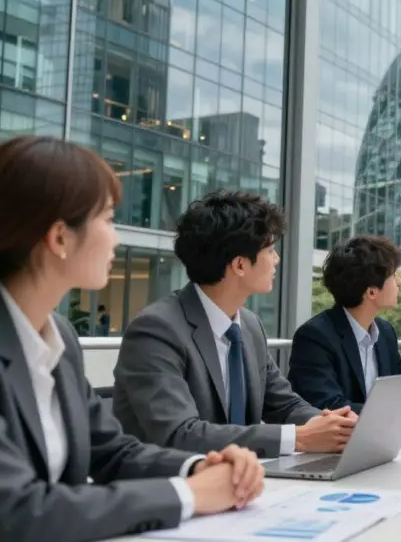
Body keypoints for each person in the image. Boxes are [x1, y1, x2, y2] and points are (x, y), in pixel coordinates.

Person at [0, 136, 265, 542]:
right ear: (60, 237)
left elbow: (112, 452)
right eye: (108, 218)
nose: (115, 238)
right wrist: (188, 495)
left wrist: (200, 468)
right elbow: (13, 511)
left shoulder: (57, 336)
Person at [113, 191, 356, 459]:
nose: (276, 260)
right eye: (270, 250)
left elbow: (284, 403)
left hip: (242, 480)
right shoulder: (156, 330)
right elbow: (180, 433)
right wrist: (299, 438)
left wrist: (335, 426)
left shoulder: (250, 326)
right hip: (172, 487)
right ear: (240, 265)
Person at [289, 235, 401, 426]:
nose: (399, 282)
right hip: (335, 447)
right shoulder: (315, 337)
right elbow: (330, 406)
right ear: (371, 292)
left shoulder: (384, 332)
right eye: (393, 276)